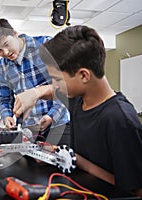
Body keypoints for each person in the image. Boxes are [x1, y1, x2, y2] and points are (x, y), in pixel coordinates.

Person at [16, 25, 142, 197]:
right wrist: (35, 93)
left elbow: (135, 189)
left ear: (83, 75)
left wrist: (78, 161)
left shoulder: (119, 119)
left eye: (57, 78)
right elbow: (53, 91)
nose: (54, 84)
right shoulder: (79, 99)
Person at [0, 18, 69, 143]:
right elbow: (6, 99)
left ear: (14, 33)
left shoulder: (46, 45)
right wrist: (7, 117)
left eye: (6, 44)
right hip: (28, 130)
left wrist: (52, 116)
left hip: (58, 125)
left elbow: (66, 86)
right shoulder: (2, 66)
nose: (5, 52)